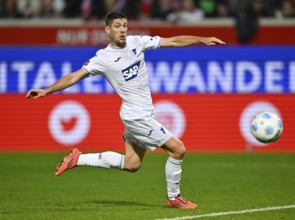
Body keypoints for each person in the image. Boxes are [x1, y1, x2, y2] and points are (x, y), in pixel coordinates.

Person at [26, 11, 225, 209]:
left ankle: (78, 158)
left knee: (132, 164)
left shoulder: (137, 43)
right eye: (117, 26)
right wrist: (46, 91)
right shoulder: (103, 58)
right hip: (135, 116)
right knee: (178, 149)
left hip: (141, 113)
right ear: (107, 30)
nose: (122, 30)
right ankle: (174, 198)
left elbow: (172, 41)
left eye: (124, 26)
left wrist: (202, 39)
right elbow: (74, 76)